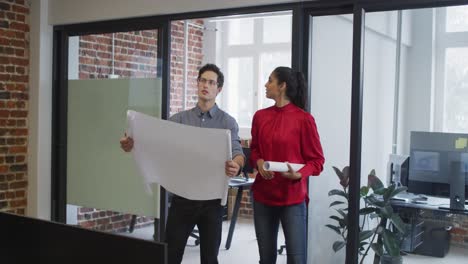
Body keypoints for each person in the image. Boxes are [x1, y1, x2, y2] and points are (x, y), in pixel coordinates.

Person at [120, 63, 245, 264]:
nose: (206, 85)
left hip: (212, 201)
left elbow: (237, 152)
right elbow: (156, 142)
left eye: (211, 82)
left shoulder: (227, 122)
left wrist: (236, 164)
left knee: (210, 258)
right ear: (197, 84)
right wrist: (132, 144)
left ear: (218, 89)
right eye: (202, 80)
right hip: (182, 198)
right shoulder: (179, 119)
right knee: (172, 255)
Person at [250, 66, 325, 264]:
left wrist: (300, 174)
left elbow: (317, 161)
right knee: (266, 259)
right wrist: (258, 162)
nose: (266, 85)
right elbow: (255, 149)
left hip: (292, 198)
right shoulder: (260, 116)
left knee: (296, 259)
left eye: (270, 80)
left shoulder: (304, 120)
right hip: (262, 196)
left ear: (282, 86)